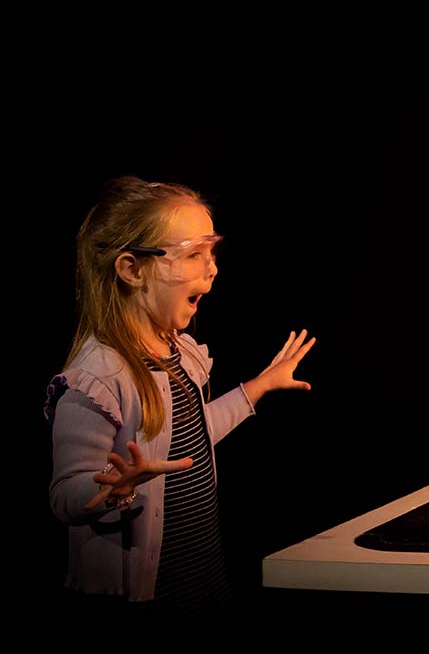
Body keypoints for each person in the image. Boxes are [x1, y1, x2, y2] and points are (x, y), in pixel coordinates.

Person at [44, 175, 316, 617]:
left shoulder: (176, 351)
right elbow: (64, 496)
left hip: (201, 577)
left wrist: (260, 385)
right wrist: (113, 490)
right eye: (193, 254)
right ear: (131, 269)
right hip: (150, 595)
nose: (212, 269)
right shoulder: (98, 377)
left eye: (212, 252)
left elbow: (187, 437)